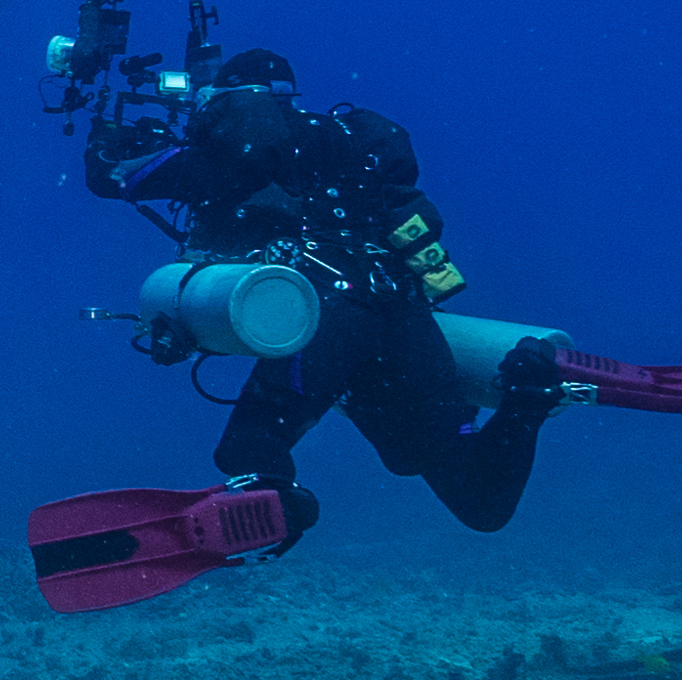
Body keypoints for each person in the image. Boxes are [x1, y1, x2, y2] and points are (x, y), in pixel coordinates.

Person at [81, 47, 566, 549]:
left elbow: (115, 178)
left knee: (252, 445)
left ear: (226, 103)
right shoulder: (349, 142)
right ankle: (525, 400)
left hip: (322, 314)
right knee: (478, 499)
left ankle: (282, 504)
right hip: (398, 310)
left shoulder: (237, 150)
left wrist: (104, 143)